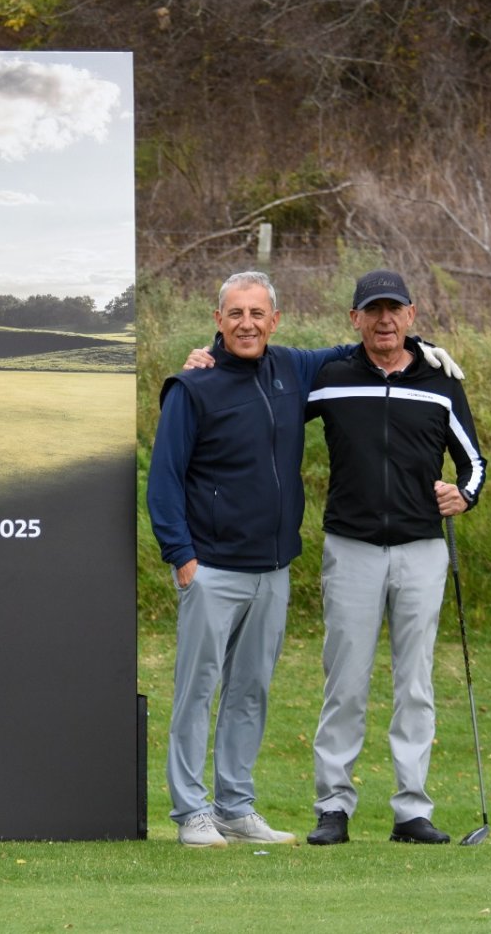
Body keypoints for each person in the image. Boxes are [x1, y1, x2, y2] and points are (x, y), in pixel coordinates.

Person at [146, 271, 357, 848]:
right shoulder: (192, 386)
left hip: (273, 569)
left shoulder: (292, 368)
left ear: (275, 320)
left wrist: (417, 348)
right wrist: (181, 557)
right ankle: (191, 812)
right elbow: (164, 480)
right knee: (196, 691)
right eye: (235, 314)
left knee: (250, 692)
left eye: (257, 314)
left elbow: (355, 349)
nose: (246, 324)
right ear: (218, 320)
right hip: (211, 568)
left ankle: (234, 808)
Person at [304, 269, 486, 846]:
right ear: (355, 318)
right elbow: (266, 392)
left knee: (415, 684)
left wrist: (465, 494)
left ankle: (411, 810)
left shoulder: (440, 383)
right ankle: (333, 807)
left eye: (394, 310)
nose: (384, 320)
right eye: (373, 310)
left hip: (421, 550)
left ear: (411, 315)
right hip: (351, 547)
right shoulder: (331, 378)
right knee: (345, 682)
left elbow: (473, 462)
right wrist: (211, 357)